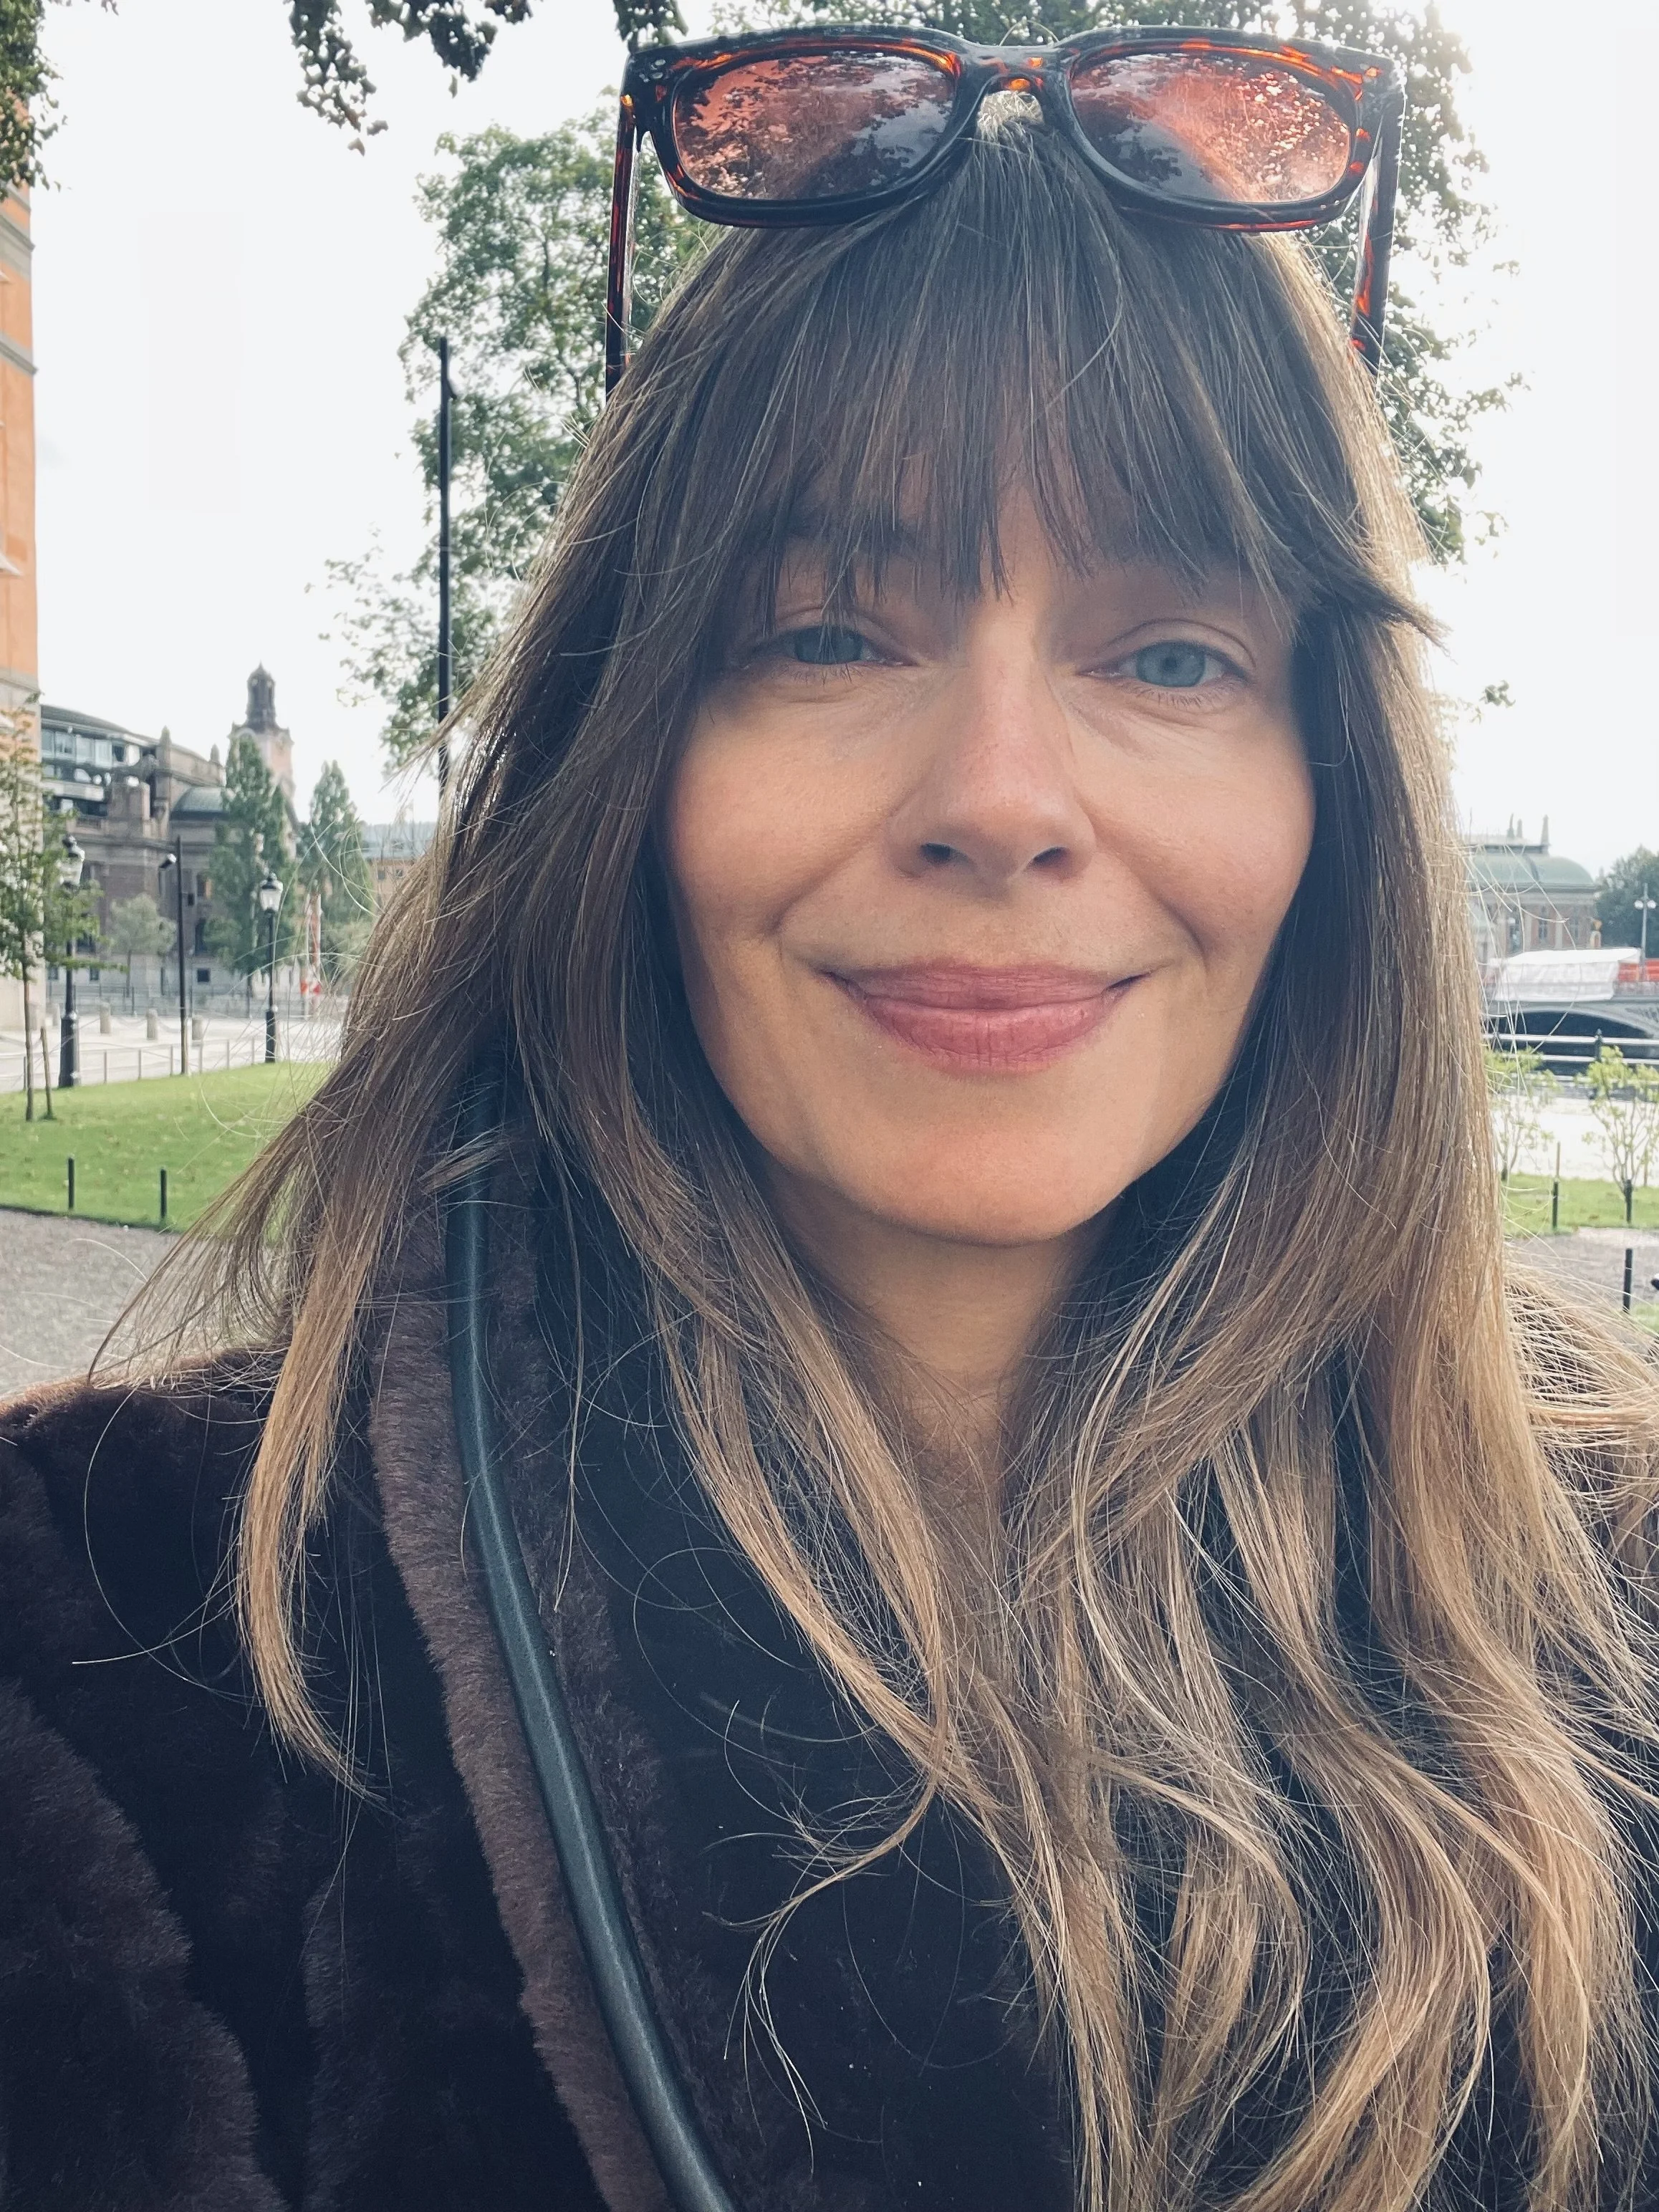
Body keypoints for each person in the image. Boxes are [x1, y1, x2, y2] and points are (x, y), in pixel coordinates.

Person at [4, 38, 1658, 2212]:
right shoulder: (95, 1631)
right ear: (630, 754)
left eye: (1170, 656)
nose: (997, 798)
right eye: (828, 634)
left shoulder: (1615, 1593)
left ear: (1331, 795)